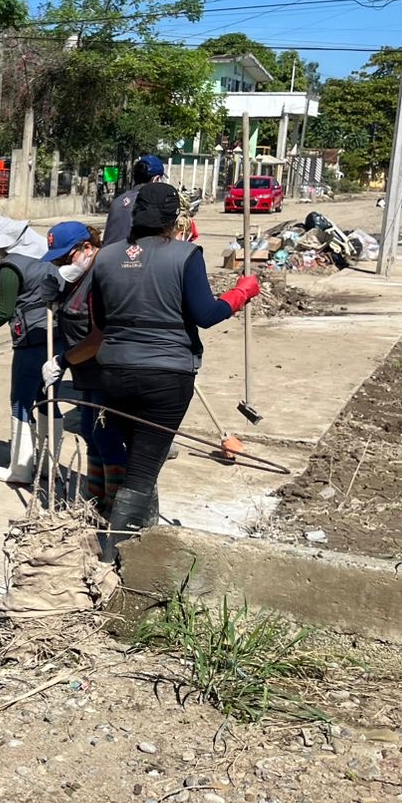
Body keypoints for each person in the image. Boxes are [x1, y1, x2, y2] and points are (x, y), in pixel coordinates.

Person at [91, 185, 260, 559]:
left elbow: (100, 319)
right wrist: (241, 293)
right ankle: (117, 557)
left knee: (139, 457)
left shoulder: (104, 258)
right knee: (143, 470)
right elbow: (205, 314)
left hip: (113, 372)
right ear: (173, 221)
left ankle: (139, 538)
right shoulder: (185, 255)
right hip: (166, 377)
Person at [0, 210, 63, 486]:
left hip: (30, 341)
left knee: (21, 401)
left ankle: (20, 469)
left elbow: (5, 312)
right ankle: (49, 466)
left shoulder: (10, 267)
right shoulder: (45, 252)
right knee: (49, 398)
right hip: (56, 336)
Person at [38, 222, 127, 514]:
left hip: (106, 371)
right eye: (58, 260)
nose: (63, 264)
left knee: (106, 436)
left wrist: (62, 361)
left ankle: (118, 508)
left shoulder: (103, 275)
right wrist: (59, 298)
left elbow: (100, 336)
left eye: (67, 257)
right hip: (87, 373)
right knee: (90, 432)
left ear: (87, 247)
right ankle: (96, 500)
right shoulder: (82, 275)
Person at [103, 154, 167, 245]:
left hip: (108, 255)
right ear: (156, 179)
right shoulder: (152, 204)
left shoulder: (117, 201)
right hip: (132, 257)